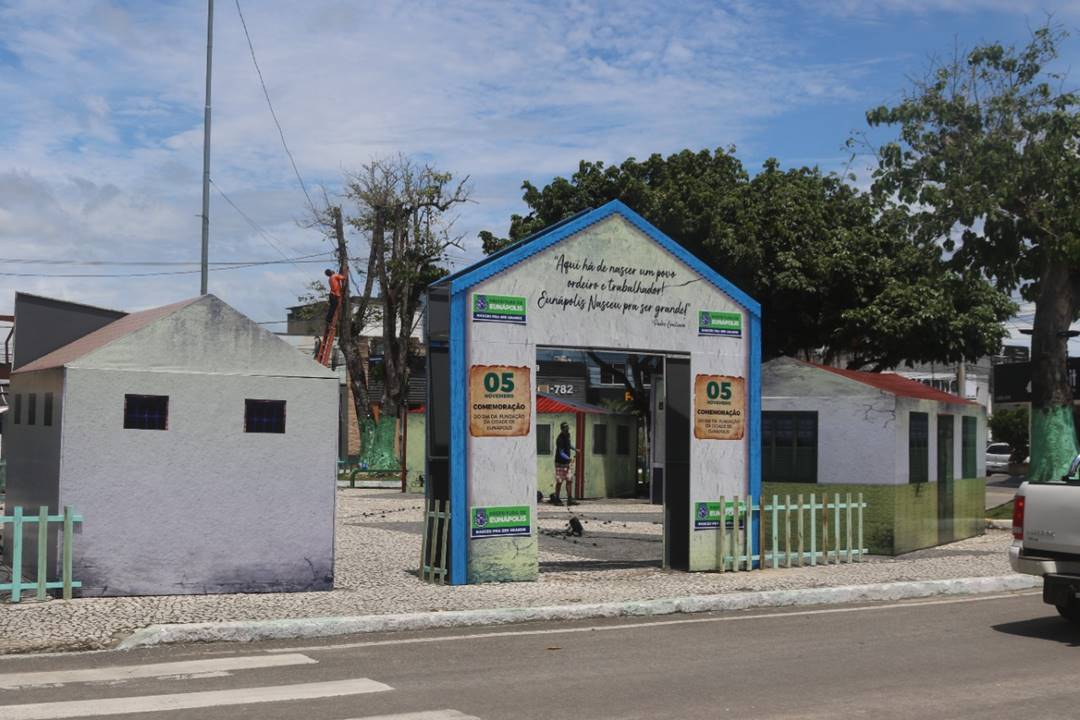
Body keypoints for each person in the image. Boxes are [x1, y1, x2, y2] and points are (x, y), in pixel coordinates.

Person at [552, 421, 577, 506]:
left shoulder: (567, 436)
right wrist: (569, 458)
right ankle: (557, 499)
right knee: (559, 482)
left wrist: (575, 449)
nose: (566, 430)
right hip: (560, 464)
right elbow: (561, 452)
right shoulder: (560, 439)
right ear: (562, 429)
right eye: (565, 429)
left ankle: (570, 499)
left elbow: (569, 445)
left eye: (567, 428)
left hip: (567, 464)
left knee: (569, 480)